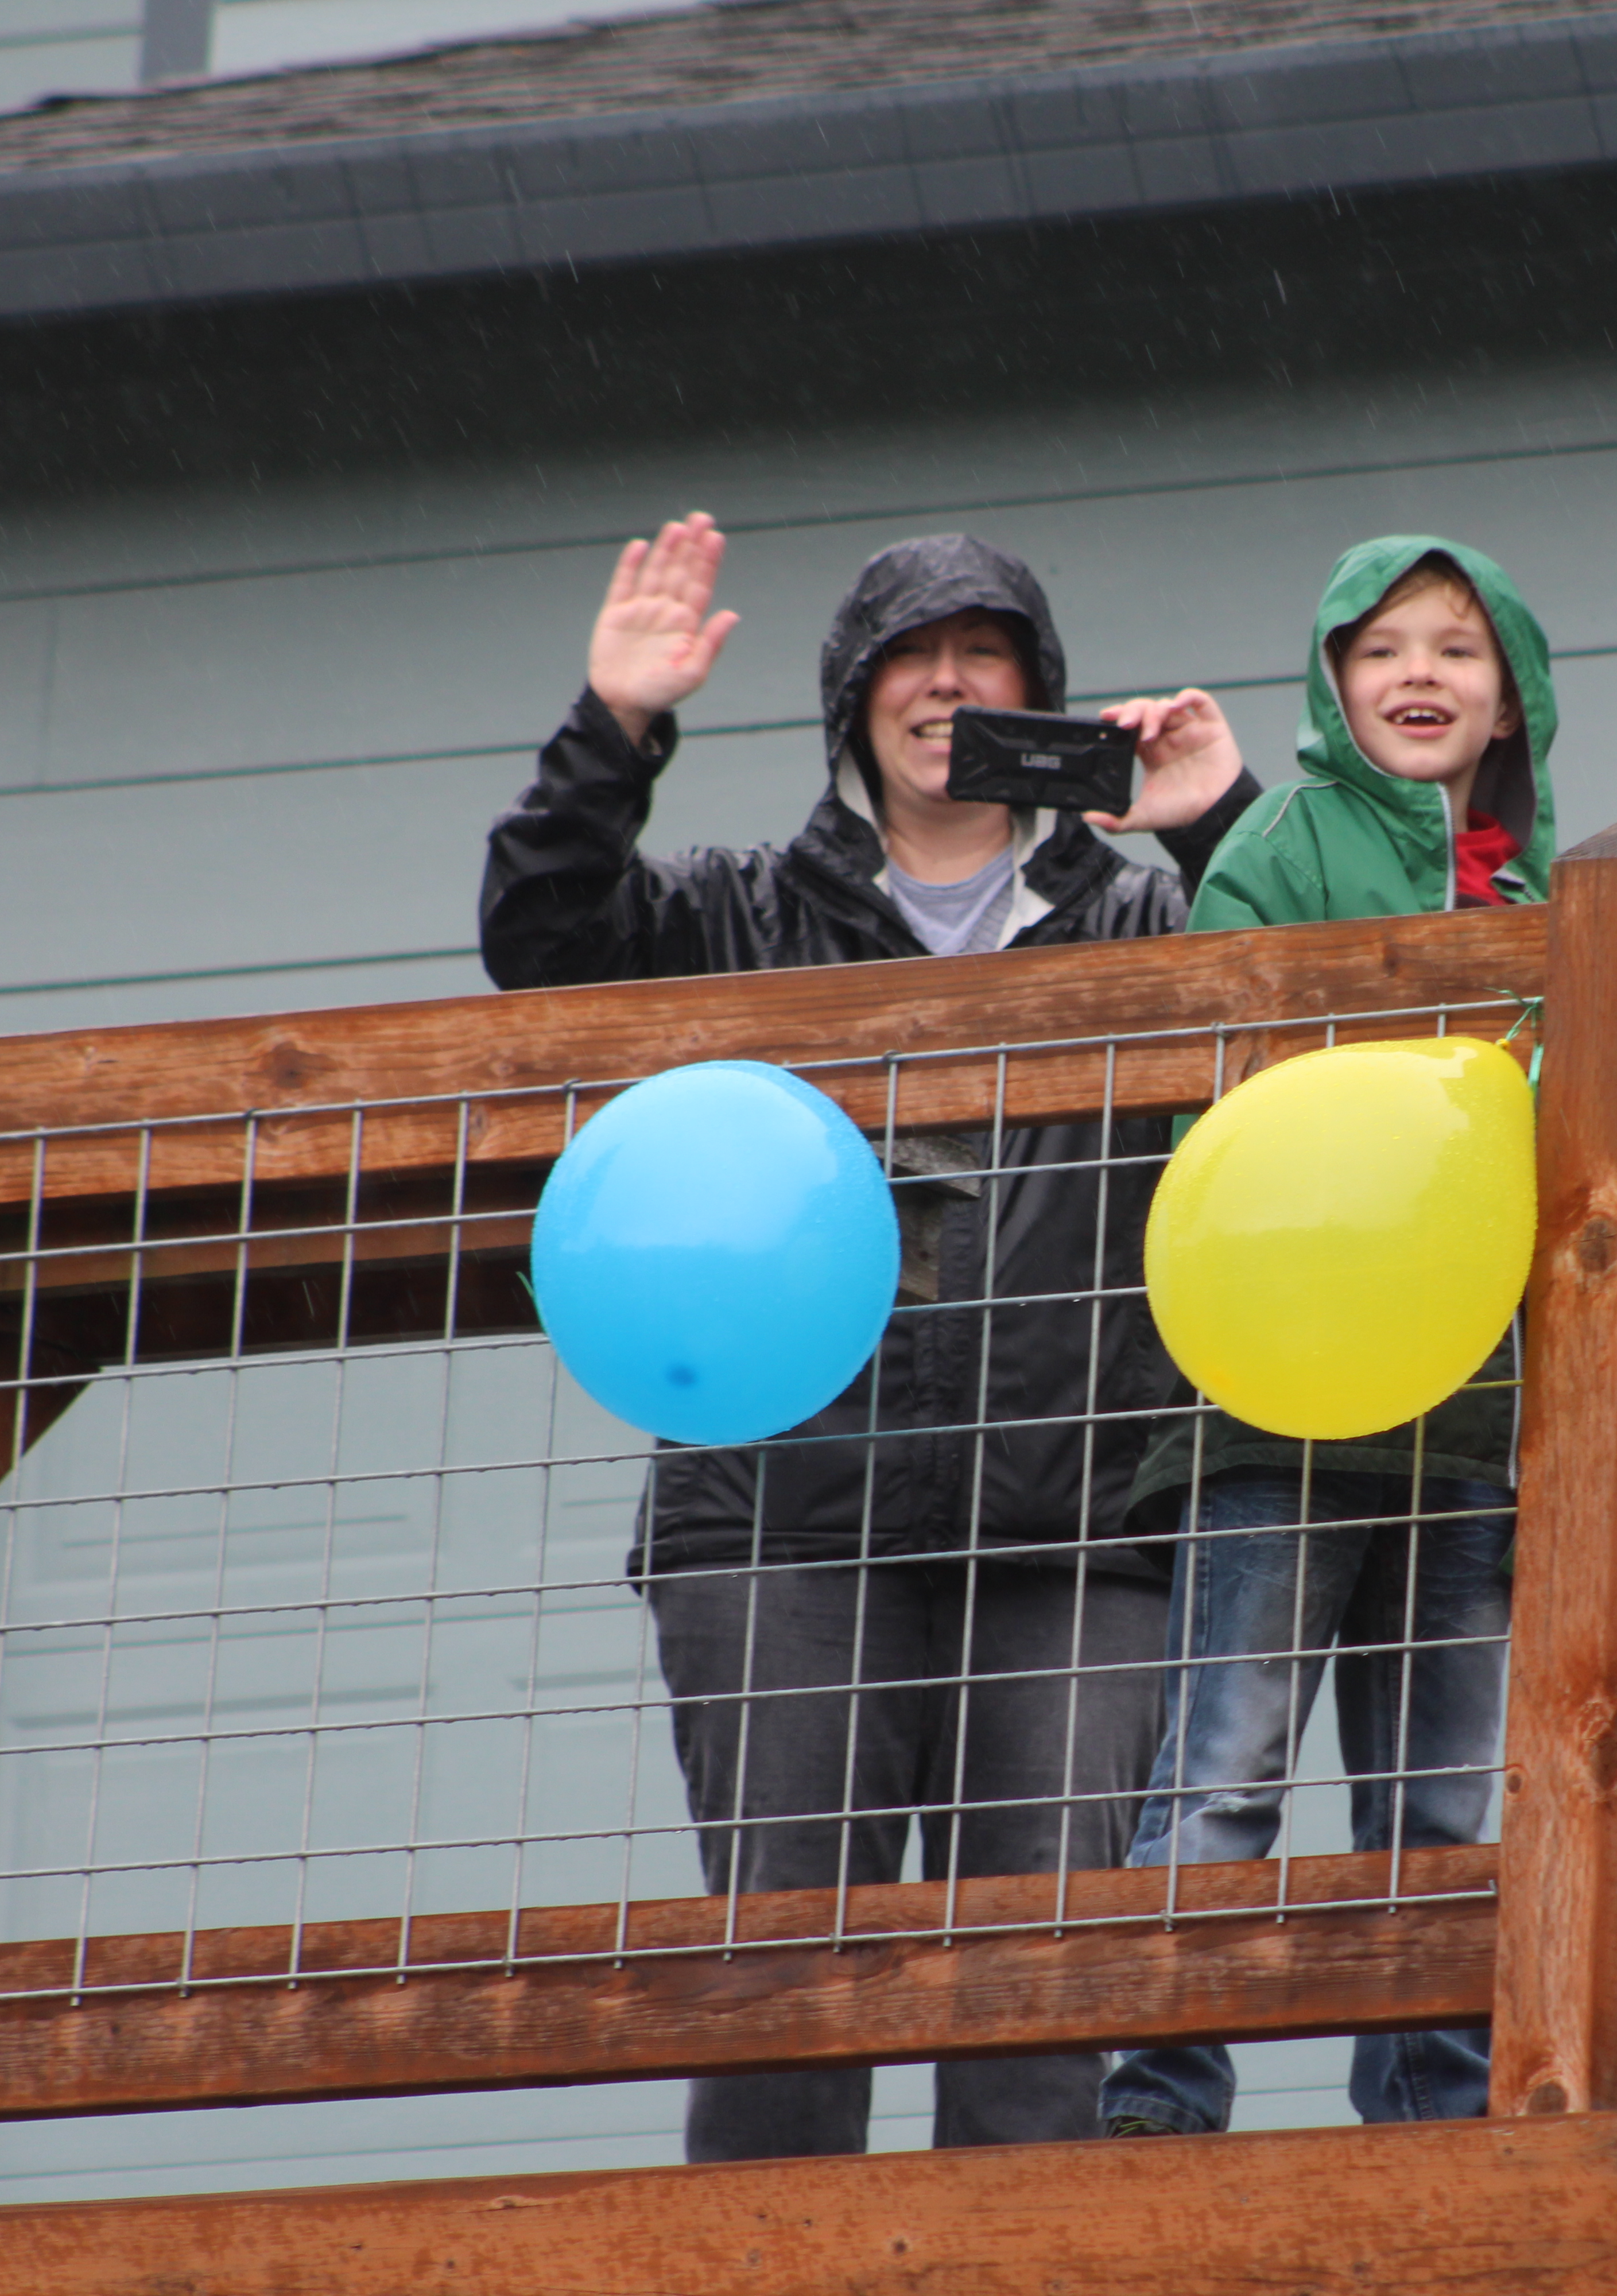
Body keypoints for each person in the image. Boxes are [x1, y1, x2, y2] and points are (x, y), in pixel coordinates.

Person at [480, 513, 1255, 2161]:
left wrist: (1216, 825)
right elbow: (542, 949)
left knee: (1035, 2008)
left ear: (1042, 709)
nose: (950, 686)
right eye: (915, 658)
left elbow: (1328, 1008)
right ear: (854, 703)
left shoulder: (1142, 921)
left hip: (1077, 1539)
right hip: (781, 1525)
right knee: (782, 1988)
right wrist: (615, 730)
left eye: (988, 660)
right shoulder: (737, 909)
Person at [1095, 535, 1560, 2138]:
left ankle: (1436, 2117)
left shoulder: (1552, 902)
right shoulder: (1280, 848)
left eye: (1457, 648)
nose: (1419, 675)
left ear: (1513, 699)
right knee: (1224, 1775)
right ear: (1333, 686)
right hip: (1278, 1405)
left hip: (1470, 1414)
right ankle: (1161, 2106)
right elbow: (1202, 1094)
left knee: (1442, 1803)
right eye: (1380, 650)